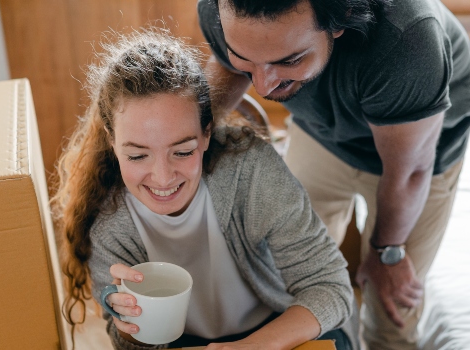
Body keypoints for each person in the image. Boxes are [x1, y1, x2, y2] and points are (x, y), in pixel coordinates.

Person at [197, 0, 470, 348]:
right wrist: (191, 138)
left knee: (390, 304)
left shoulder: (407, 38)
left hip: (417, 156)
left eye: (288, 60)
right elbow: (228, 68)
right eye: (246, 59)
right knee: (289, 277)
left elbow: (409, 172)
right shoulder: (221, 8)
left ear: (341, 19)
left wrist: (386, 252)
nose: (264, 87)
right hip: (321, 132)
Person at [50, 29, 354, 350]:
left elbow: (330, 288)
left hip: (277, 327)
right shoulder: (108, 222)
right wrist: (129, 325)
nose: (163, 177)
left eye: (182, 151)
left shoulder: (248, 171)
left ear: (206, 135)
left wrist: (252, 347)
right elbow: (129, 345)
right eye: (138, 155)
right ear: (113, 144)